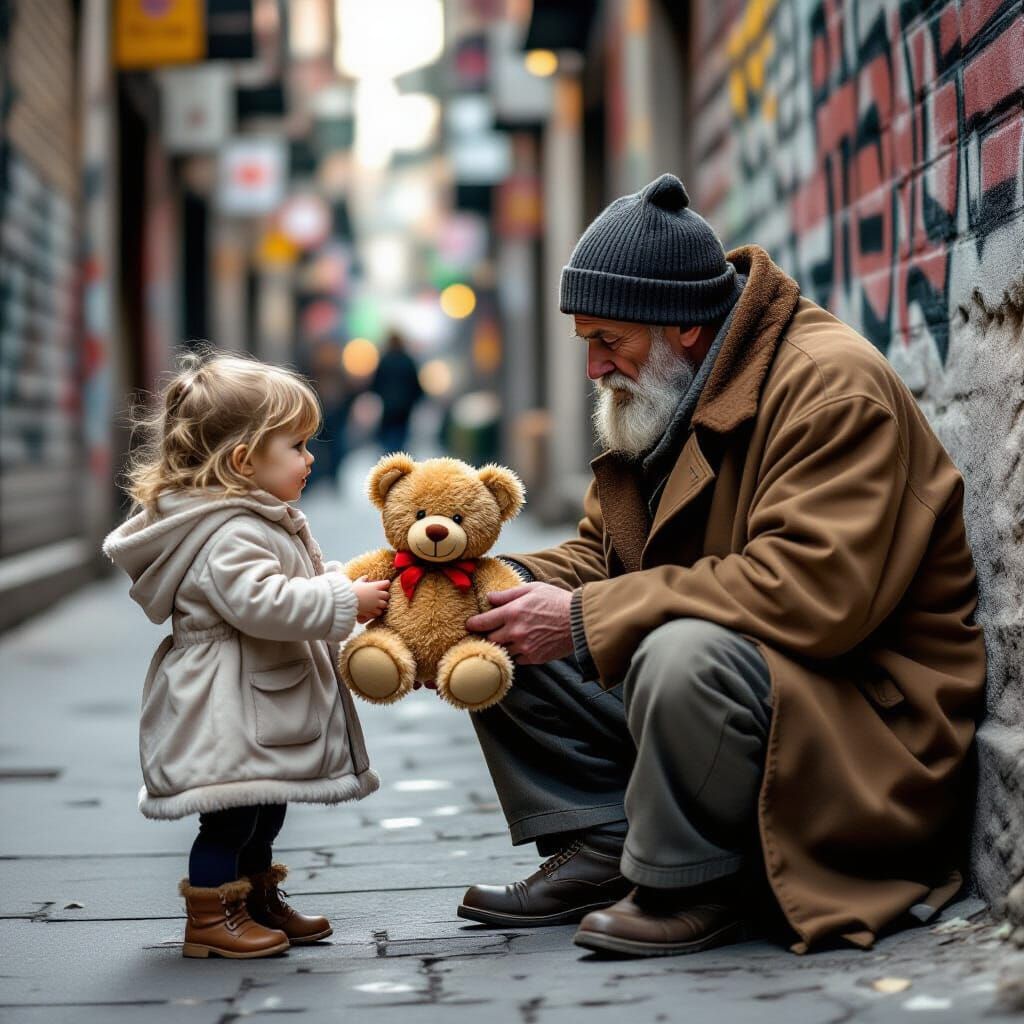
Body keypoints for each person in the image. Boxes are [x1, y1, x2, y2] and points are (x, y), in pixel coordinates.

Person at [459, 173, 986, 957]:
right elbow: (602, 556)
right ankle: (607, 844)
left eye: (610, 341)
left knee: (678, 651)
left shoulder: (830, 388)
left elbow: (811, 594)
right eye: (587, 342)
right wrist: (488, 582)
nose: (595, 367)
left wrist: (579, 618)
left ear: (686, 326)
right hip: (768, 684)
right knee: (496, 615)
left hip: (868, 724)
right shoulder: (665, 388)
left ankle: (690, 882)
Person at [103, 351, 390, 959]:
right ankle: (212, 917)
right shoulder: (230, 530)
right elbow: (261, 603)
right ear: (243, 460)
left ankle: (255, 897)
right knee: (231, 818)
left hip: (253, 697)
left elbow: (285, 584)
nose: (310, 458)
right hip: (224, 701)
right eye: (298, 445)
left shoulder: (251, 518)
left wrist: (339, 583)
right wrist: (343, 599)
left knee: (264, 807)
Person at [371, 331, 423, 453]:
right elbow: (416, 387)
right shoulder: (408, 362)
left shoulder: (384, 361)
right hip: (404, 410)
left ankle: (389, 460)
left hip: (388, 410)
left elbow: (375, 385)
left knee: (387, 441)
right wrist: (413, 401)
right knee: (400, 440)